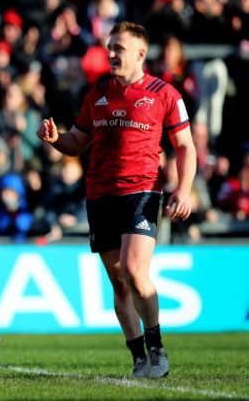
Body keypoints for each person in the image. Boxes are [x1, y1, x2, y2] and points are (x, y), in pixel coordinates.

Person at [36, 21, 196, 379]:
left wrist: (183, 189)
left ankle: (157, 350)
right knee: (120, 282)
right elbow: (77, 142)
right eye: (110, 47)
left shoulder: (165, 94)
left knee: (136, 272)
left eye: (118, 48)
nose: (110, 54)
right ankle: (139, 357)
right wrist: (54, 139)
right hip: (100, 194)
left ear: (140, 54)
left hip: (142, 191)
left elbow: (185, 146)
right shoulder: (98, 93)